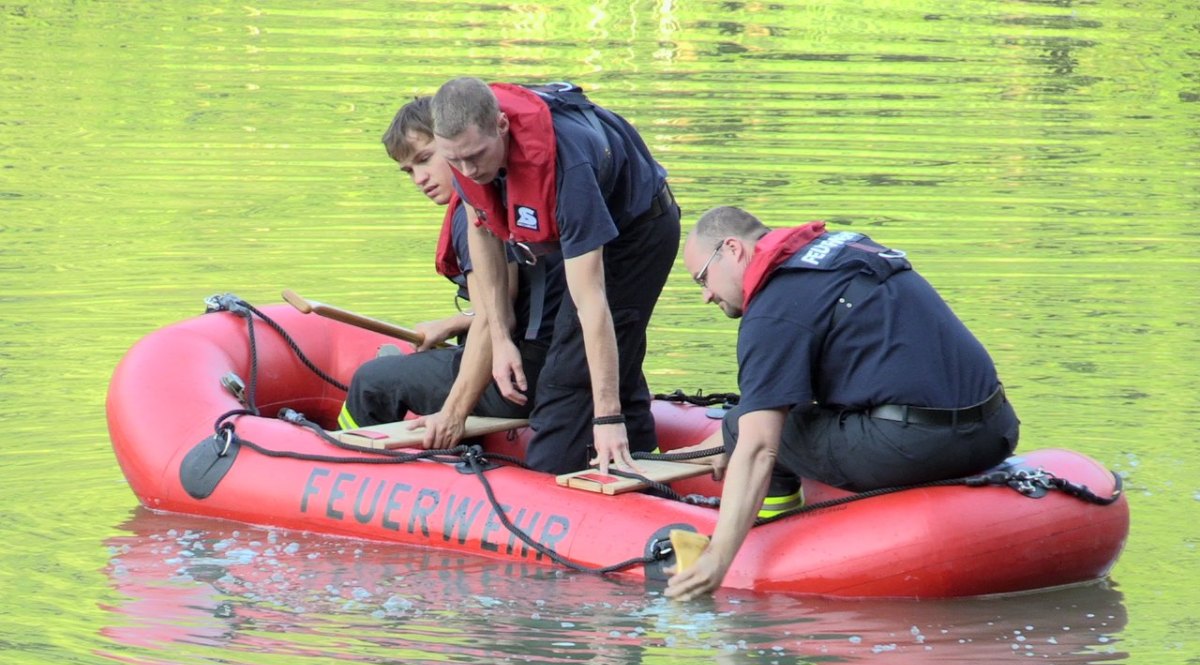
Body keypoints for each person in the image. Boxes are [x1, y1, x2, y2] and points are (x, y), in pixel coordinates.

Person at [664, 206, 1019, 600]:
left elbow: (760, 446)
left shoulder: (773, 311)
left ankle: (768, 529)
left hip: (918, 444)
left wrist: (717, 558)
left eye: (702, 278)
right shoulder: (844, 249)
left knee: (742, 425)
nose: (706, 295)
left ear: (732, 249)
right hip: (995, 431)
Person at [430, 78, 681, 475]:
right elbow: (482, 227)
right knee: (605, 359)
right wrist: (499, 338)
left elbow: (593, 305)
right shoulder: (464, 154)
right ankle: (641, 463)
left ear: (501, 125)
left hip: (637, 234)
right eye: (454, 161)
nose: (468, 170)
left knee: (565, 375)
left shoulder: (569, 166)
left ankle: (554, 471)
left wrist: (607, 418)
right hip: (582, 231)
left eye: (476, 156)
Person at [338, 97, 564, 449]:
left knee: (373, 380)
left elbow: (496, 318)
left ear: (450, 141)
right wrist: (455, 323)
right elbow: (511, 300)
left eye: (425, 159)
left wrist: (455, 412)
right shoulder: (508, 195)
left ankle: (337, 460)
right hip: (555, 363)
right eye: (409, 171)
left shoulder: (470, 215)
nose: (419, 179)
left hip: (518, 379)